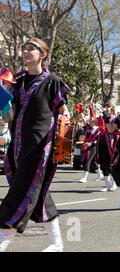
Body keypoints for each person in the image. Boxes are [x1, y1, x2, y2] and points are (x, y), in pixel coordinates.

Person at [0, 38, 70, 252]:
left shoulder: (53, 82)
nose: (26, 51)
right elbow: (9, 117)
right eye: (24, 48)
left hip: (41, 147)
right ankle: (57, 243)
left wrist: (64, 133)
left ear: (43, 54)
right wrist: (2, 96)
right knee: (38, 193)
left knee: (20, 190)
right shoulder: (17, 81)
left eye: (32, 48)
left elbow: (64, 112)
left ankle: (3, 239)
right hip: (18, 146)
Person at [97, 102, 118, 192]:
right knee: (103, 163)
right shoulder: (102, 117)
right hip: (102, 140)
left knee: (111, 163)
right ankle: (107, 185)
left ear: (112, 109)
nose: (106, 109)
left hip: (111, 142)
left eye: (108, 108)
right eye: (105, 107)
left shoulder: (115, 118)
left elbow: (114, 129)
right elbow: (93, 122)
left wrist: (106, 117)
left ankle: (114, 183)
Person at [78, 112, 103, 183]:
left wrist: (91, 144)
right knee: (93, 161)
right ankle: (100, 174)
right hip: (85, 145)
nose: (90, 121)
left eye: (92, 120)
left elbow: (98, 139)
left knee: (87, 160)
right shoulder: (87, 127)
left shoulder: (98, 129)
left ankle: (84, 177)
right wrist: (81, 114)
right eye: (90, 120)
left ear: (95, 121)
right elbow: (83, 120)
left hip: (93, 146)